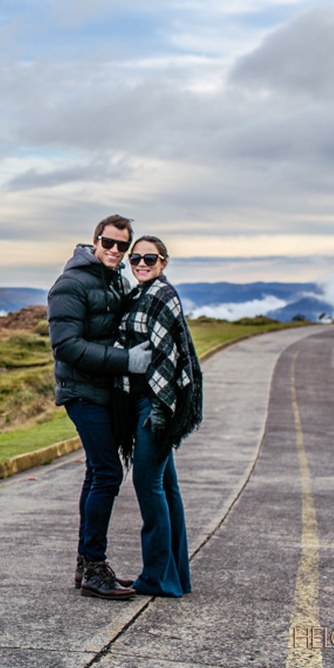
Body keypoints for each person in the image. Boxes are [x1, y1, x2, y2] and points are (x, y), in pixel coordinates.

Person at [47, 215, 152, 601]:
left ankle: (85, 564)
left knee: (97, 472)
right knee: (108, 472)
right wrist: (125, 360)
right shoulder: (71, 284)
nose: (115, 251)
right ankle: (94, 566)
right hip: (80, 392)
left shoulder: (115, 280)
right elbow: (67, 346)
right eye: (109, 243)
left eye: (122, 246)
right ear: (95, 241)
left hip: (103, 391)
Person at [114, 235, 202, 597]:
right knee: (166, 487)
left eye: (150, 258)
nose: (141, 263)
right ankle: (175, 575)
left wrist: (162, 408)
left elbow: (168, 357)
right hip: (144, 400)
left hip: (155, 404)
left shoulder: (163, 295)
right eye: (136, 257)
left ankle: (156, 577)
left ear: (164, 262)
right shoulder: (138, 294)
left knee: (148, 485)